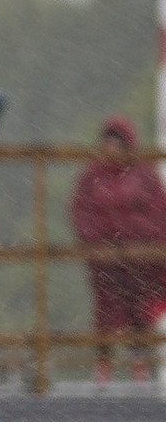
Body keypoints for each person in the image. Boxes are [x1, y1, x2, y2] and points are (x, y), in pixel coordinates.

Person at [70, 115, 166, 384]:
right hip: (105, 258)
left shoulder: (143, 174)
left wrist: (141, 239)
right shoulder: (92, 176)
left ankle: (140, 364)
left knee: (139, 309)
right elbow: (81, 211)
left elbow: (158, 212)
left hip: (139, 258)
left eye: (117, 143)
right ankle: (104, 365)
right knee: (106, 311)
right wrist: (96, 241)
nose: (112, 148)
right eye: (108, 142)